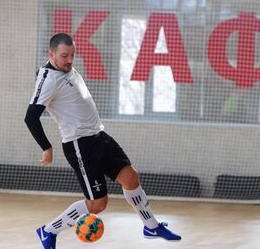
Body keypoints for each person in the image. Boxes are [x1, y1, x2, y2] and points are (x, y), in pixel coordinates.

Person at [24, 33, 181, 248]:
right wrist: (47, 148)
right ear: (50, 54)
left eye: (72, 55)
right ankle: (48, 230)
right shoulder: (48, 79)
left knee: (131, 178)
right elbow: (30, 117)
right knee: (97, 205)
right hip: (80, 145)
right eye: (64, 56)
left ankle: (151, 226)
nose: (70, 60)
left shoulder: (63, 68)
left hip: (99, 136)